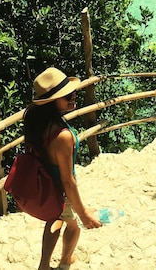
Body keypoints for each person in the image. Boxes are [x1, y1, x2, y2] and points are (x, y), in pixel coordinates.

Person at [24, 67, 102, 270]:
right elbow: (68, 180)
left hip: (46, 182)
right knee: (74, 226)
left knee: (54, 220)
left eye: (73, 93)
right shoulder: (62, 135)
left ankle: (44, 265)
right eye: (67, 95)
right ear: (52, 101)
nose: (73, 97)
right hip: (60, 187)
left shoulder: (39, 122)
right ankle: (65, 260)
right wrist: (84, 213)